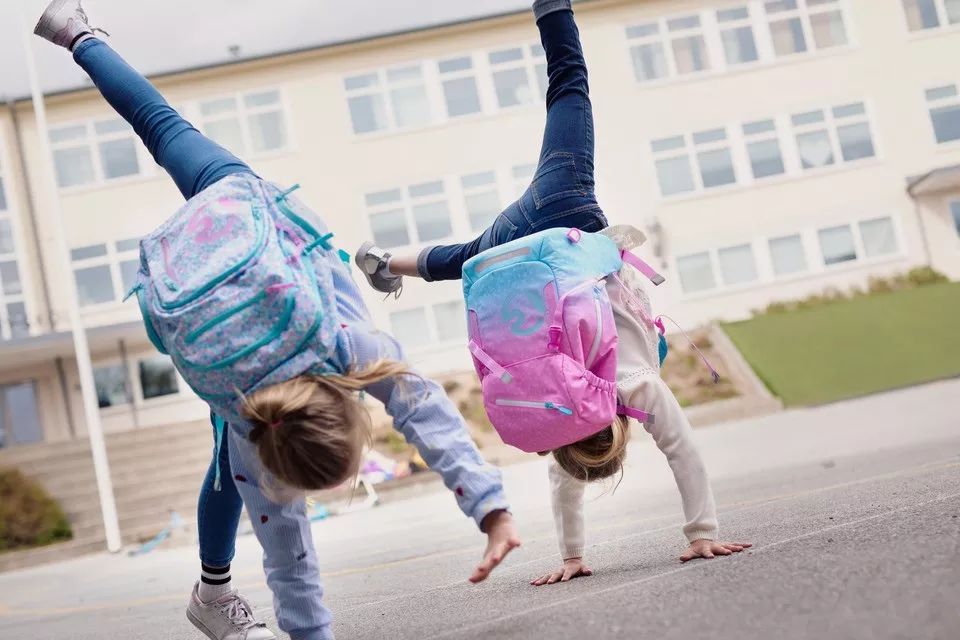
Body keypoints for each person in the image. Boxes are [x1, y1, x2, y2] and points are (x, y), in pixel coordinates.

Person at [33, 2, 520, 639]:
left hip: (238, 205)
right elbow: (289, 563)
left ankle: (78, 34)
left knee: (159, 122)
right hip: (204, 240)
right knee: (160, 128)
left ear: (347, 413)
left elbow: (423, 410)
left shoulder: (348, 350)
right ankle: (79, 37)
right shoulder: (247, 428)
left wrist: (494, 509)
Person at [356, 0, 751, 586]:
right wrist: (569, 555)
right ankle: (388, 260)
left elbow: (683, 453)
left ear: (617, 431)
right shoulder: (556, 408)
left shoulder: (634, 389)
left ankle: (553, 7)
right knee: (465, 259)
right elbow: (563, 484)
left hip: (563, 219)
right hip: (505, 254)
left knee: (569, 88)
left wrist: (703, 534)